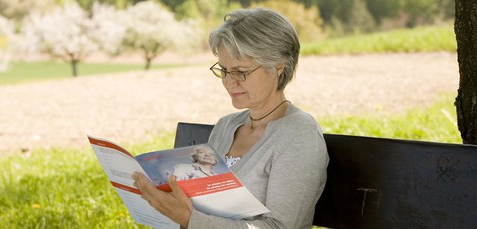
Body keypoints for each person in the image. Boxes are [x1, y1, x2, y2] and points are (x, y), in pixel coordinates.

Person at [132, 7, 329, 229]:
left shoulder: (299, 134)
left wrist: (190, 220)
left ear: (278, 68)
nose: (228, 81)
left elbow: (280, 227)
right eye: (224, 70)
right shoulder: (227, 126)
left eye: (240, 71)